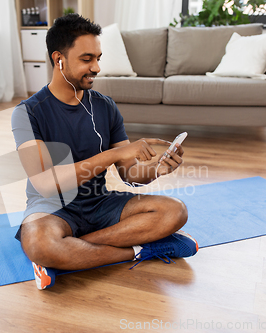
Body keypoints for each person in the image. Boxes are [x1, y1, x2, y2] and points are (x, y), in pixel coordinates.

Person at [11, 14, 198, 290]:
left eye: (98, 58)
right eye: (87, 59)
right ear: (58, 59)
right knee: (39, 241)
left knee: (175, 211)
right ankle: (137, 250)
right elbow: (46, 183)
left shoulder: (105, 106)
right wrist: (113, 155)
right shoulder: (27, 113)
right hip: (53, 208)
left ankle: (67, 252)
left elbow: (130, 174)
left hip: (99, 203)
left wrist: (158, 168)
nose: (96, 67)